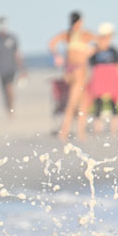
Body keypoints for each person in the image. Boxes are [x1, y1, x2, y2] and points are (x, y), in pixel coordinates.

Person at [47, 11, 94, 140]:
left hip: (74, 69)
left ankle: (80, 131)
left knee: (83, 101)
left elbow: (51, 44)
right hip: (77, 70)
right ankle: (64, 131)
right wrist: (57, 56)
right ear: (80, 21)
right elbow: (101, 43)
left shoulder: (71, 35)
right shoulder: (79, 35)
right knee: (73, 102)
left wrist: (57, 56)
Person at [85, 22, 118, 135]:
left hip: (111, 76)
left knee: (113, 103)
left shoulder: (113, 50)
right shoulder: (94, 49)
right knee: (98, 102)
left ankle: (114, 128)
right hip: (99, 76)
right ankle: (98, 128)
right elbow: (88, 60)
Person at [0, 17, 23, 115]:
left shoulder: (12, 38)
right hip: (0, 69)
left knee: (9, 88)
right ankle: (8, 108)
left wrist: (22, 69)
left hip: (11, 68)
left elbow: (17, 54)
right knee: (4, 92)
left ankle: (11, 108)